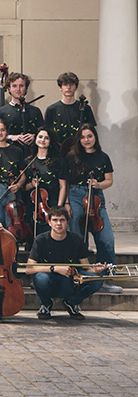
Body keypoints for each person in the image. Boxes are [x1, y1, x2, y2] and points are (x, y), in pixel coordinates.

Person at [64, 124, 119, 293]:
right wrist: (66, 203)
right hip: (74, 195)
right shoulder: (71, 156)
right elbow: (64, 182)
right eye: (82, 137)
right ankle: (80, 276)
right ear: (78, 139)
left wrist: (98, 184)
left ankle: (106, 279)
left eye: (89, 136)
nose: (86, 140)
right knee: (77, 238)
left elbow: (109, 180)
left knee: (106, 239)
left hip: (95, 197)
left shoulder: (103, 157)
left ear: (95, 137)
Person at [26, 207, 106, 320]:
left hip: (69, 281)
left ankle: (72, 302)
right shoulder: (41, 240)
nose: (58, 223)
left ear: (67, 222)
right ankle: (45, 304)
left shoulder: (76, 240)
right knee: (41, 278)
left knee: (96, 280)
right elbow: (29, 269)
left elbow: (86, 267)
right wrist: (55, 268)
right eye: (55, 220)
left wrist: (96, 270)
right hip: (49, 280)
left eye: (62, 220)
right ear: (49, 222)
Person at [23, 127, 68, 236]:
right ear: (35, 139)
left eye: (46, 138)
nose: (43, 140)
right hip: (33, 205)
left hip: (52, 202)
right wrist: (31, 185)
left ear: (50, 141)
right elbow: (24, 187)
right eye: (40, 137)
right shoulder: (28, 161)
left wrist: (59, 207)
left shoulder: (58, 161)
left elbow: (63, 186)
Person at [0, 72, 44, 151]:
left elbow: (44, 131)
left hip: (32, 152)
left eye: (21, 86)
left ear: (26, 88)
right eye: (14, 86)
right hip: (9, 153)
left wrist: (35, 136)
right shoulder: (1, 111)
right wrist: (11, 137)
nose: (18, 89)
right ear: (9, 88)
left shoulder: (35, 111)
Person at [45, 72, 97, 147]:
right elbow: (47, 133)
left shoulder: (86, 108)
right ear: (60, 88)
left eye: (72, 84)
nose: (68, 87)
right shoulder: (52, 109)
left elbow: (92, 132)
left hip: (81, 149)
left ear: (76, 87)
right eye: (65, 84)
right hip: (58, 150)